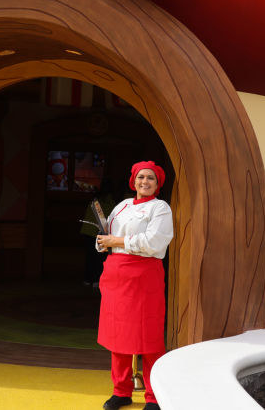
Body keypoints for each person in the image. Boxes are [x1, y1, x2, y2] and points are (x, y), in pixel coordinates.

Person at [95, 161, 173, 410]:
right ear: (133, 180)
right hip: (116, 275)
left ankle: (153, 395)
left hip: (143, 276)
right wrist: (102, 241)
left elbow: (153, 242)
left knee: (148, 337)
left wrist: (115, 240)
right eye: (141, 177)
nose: (145, 182)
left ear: (158, 184)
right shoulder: (122, 206)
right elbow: (107, 233)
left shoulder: (160, 208)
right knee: (118, 337)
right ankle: (121, 390)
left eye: (151, 178)